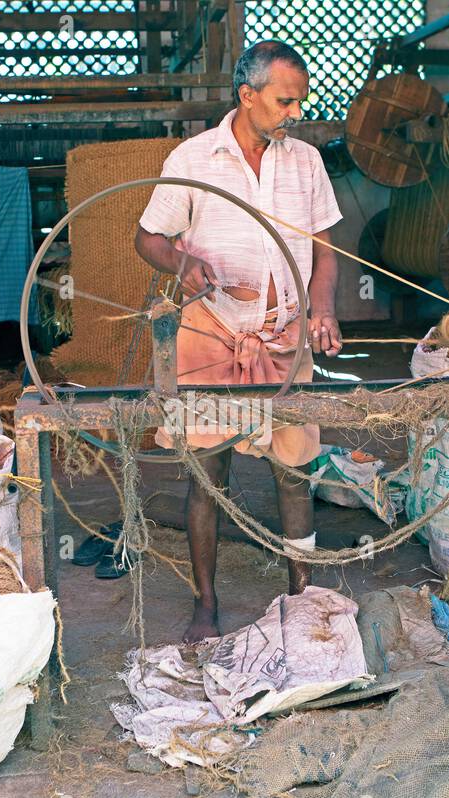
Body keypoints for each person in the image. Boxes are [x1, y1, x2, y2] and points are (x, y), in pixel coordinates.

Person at [134, 40, 343, 641]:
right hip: (211, 333)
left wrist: (321, 308)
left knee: (293, 468)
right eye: (283, 101)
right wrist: (179, 263)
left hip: (283, 335)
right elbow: (147, 237)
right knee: (207, 473)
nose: (294, 112)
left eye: (300, 101)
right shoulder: (193, 158)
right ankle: (206, 602)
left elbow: (326, 249)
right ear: (247, 95)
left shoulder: (305, 162)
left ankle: (302, 601)